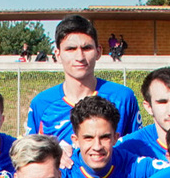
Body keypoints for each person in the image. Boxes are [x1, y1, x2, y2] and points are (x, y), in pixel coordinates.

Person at [26, 14, 141, 145]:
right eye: (71, 49)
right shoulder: (41, 103)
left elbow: (135, 151)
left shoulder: (123, 97)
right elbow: (29, 158)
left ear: (98, 52)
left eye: (86, 48)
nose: (80, 57)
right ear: (57, 55)